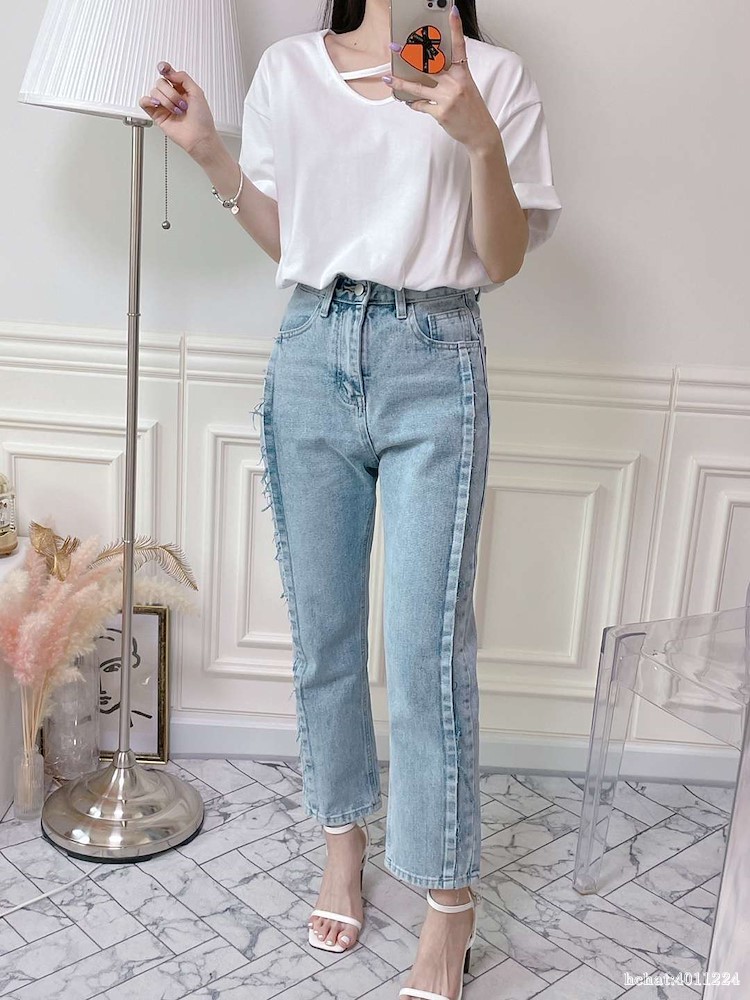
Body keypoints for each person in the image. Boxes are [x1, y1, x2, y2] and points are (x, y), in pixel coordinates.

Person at [140, 1, 561, 996]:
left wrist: (477, 135)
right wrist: (209, 154)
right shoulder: (289, 71)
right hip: (312, 351)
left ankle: (449, 902)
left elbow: (502, 259)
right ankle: (343, 843)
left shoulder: (492, 77)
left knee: (425, 650)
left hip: (434, 356)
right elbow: (291, 237)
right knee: (325, 635)